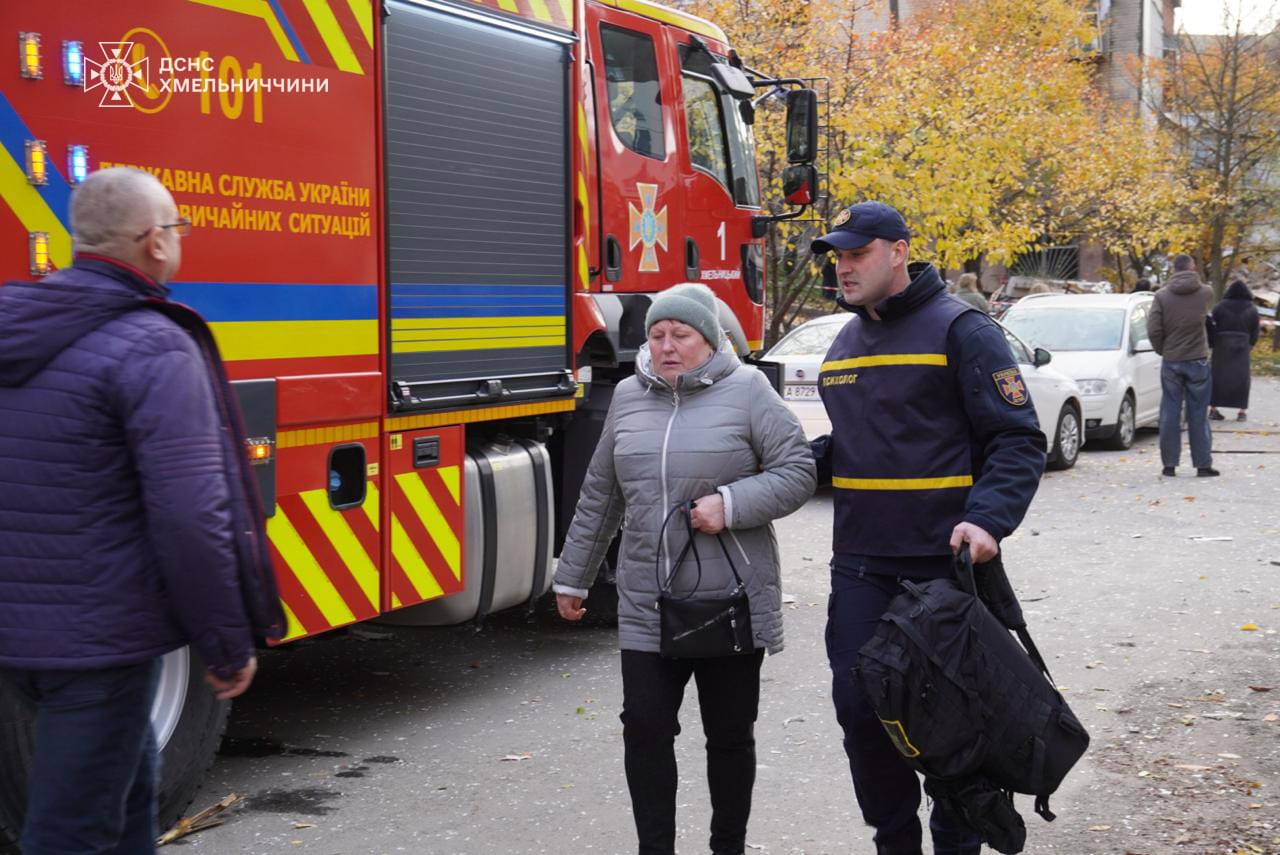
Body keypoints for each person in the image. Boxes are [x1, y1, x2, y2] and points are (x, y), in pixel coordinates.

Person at [0, 167, 284, 854]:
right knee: (70, 833)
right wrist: (224, 640)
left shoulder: (16, 324)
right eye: (178, 226)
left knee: (127, 810)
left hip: (20, 632)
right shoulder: (155, 345)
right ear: (155, 242)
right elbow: (192, 516)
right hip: (101, 643)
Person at [809, 201, 1047, 855]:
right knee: (862, 709)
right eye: (838, 255)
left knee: (949, 720)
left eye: (857, 253)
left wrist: (988, 518)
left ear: (898, 250)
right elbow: (852, 445)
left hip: (943, 566)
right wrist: (788, 468)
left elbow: (1017, 439)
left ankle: (957, 840)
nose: (844, 266)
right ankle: (895, 840)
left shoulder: (963, 330)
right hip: (860, 562)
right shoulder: (844, 339)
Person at [552, 283, 815, 855]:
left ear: (711, 339)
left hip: (729, 599)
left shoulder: (748, 391)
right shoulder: (627, 396)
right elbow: (601, 494)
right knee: (644, 729)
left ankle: (728, 846)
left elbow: (798, 471)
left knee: (728, 737)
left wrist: (732, 504)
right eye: (657, 334)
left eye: (682, 335)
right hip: (648, 599)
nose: (668, 346)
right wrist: (573, 576)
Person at [1148, 254, 1218, 477]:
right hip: (1197, 359)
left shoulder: (1161, 296)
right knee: (1198, 413)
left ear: (1173, 269)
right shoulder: (1206, 292)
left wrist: (1163, 350)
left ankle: (1169, 465)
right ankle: (1203, 465)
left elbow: (1153, 330)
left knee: (1169, 412)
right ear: (1193, 267)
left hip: (1172, 361)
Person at [1209, 279, 1261, 422]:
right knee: (1242, 379)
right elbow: (1255, 331)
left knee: (1217, 377)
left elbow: (1212, 326)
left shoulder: (1219, 307)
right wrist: (1250, 344)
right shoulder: (1252, 309)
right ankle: (1242, 412)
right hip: (1242, 347)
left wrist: (1213, 343)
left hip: (1221, 346)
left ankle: (1213, 409)